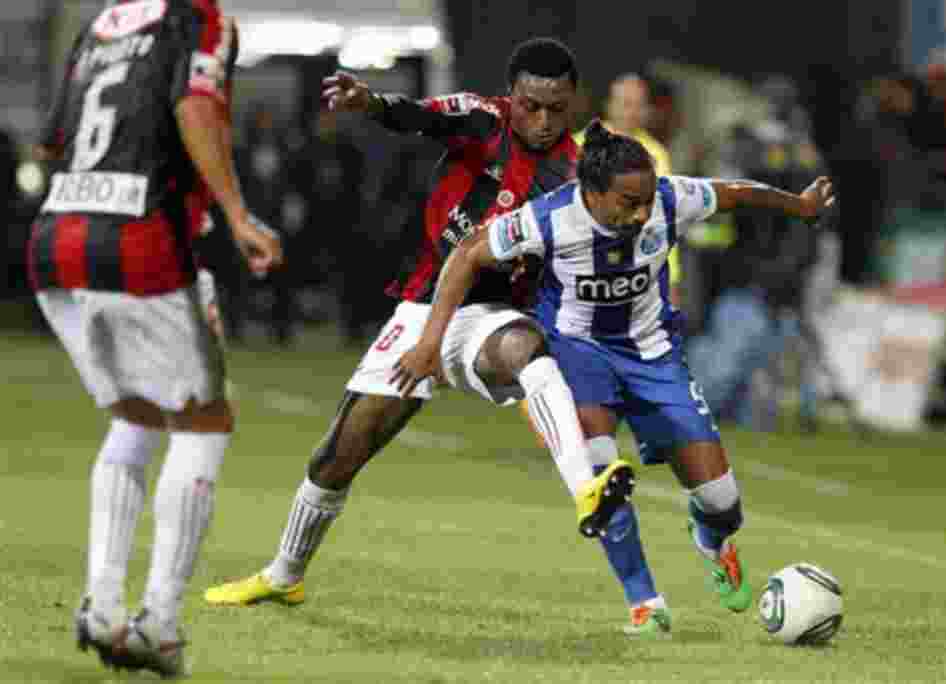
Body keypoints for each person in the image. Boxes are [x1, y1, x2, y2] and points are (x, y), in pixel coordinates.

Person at [204, 38, 635, 611]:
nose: (543, 120)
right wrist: (370, 102)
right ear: (513, 97)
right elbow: (422, 114)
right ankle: (284, 574)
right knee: (337, 455)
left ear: (574, 102)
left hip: (491, 314)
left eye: (557, 108)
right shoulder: (484, 121)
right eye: (532, 105)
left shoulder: (575, 176)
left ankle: (586, 491)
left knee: (529, 352)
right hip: (423, 307)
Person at [393, 121, 835, 633]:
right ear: (592, 193)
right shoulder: (550, 217)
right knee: (602, 476)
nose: (643, 212)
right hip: (579, 355)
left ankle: (711, 538)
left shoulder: (669, 199)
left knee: (722, 501)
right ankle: (646, 603)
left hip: (653, 356)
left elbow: (734, 192)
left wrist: (798, 206)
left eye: (647, 200)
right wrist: (430, 342)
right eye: (629, 202)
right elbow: (469, 251)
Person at [28, 0, 283, 676]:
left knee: (137, 413)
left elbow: (52, 140)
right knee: (204, 422)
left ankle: (103, 604)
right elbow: (195, 107)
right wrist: (235, 212)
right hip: (139, 237)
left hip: (57, 239)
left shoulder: (102, 20)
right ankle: (160, 621)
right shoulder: (199, 17)